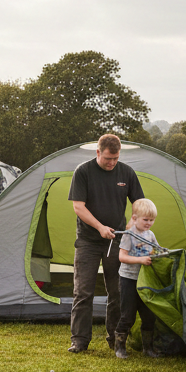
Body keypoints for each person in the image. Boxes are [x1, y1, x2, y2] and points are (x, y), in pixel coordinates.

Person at [67, 133, 144, 353]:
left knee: (117, 292)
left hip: (117, 242)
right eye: (108, 158)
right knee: (83, 292)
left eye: (115, 158)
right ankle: (79, 341)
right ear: (98, 152)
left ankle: (116, 338)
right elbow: (78, 207)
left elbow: (138, 202)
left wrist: (130, 225)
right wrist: (100, 227)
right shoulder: (83, 172)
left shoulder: (127, 172)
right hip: (88, 242)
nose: (111, 163)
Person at [115, 198, 162, 359]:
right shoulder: (129, 235)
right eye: (145, 220)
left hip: (145, 280)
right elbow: (122, 256)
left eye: (152, 220)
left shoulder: (150, 235)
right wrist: (141, 260)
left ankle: (148, 348)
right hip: (129, 279)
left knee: (149, 315)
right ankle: (120, 347)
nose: (149, 223)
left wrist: (158, 255)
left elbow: (155, 251)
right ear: (135, 218)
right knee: (128, 315)